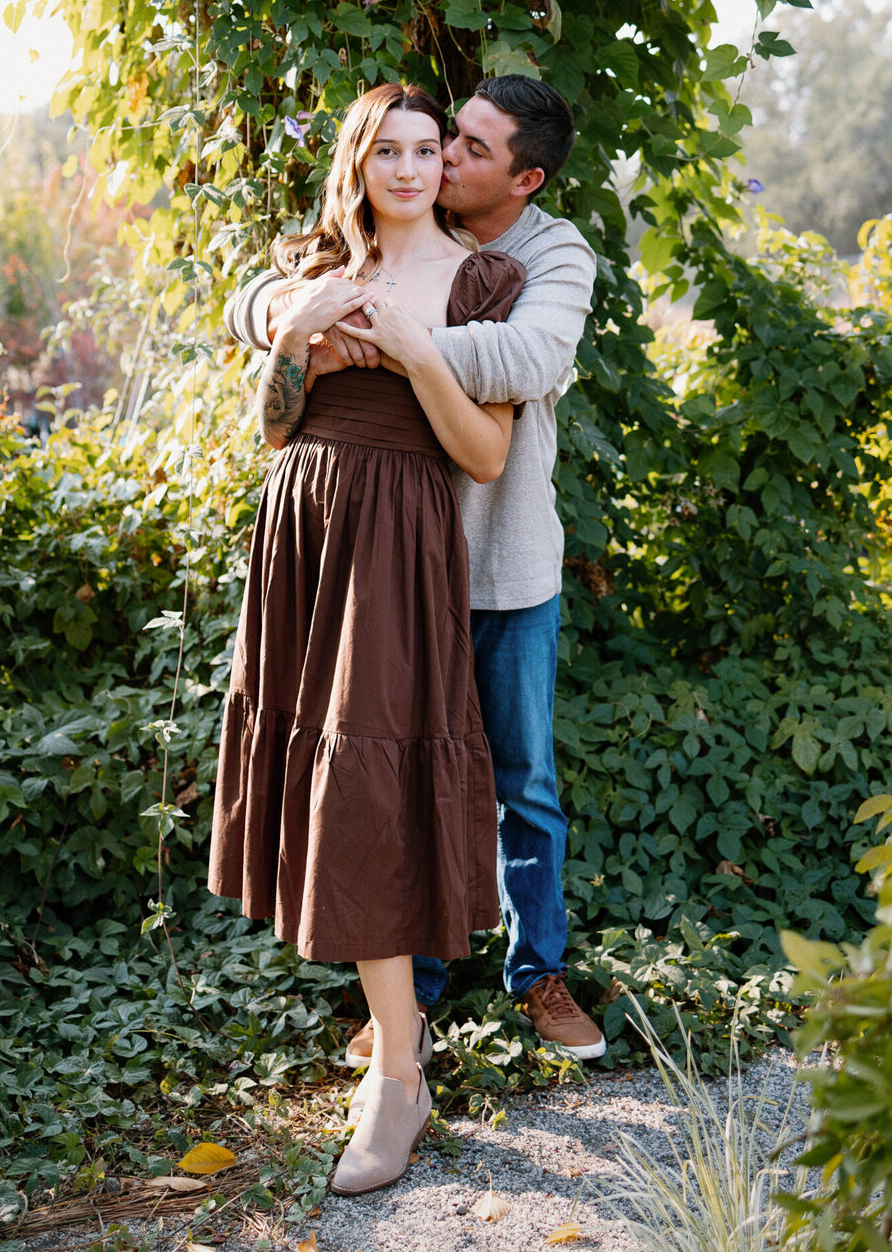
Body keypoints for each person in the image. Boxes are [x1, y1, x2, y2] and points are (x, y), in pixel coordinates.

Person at [224, 76, 604, 1062]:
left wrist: (392, 339)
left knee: (518, 777)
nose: (440, 162)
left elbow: (521, 363)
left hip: (496, 562)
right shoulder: (339, 259)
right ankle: (412, 1001)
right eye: (440, 141)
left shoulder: (542, 257)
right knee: (384, 764)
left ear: (521, 178)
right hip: (368, 563)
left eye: (459, 150)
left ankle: (538, 974)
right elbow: (258, 331)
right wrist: (292, 317)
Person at [208, 82, 526, 1195]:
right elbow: (275, 421)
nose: (407, 169)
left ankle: (399, 1073)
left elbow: (481, 457)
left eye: (426, 150)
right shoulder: (313, 270)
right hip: (302, 524)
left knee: (371, 784)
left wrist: (412, 350)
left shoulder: (481, 281)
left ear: (448, 164)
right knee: (322, 775)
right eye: (386, 150)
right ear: (360, 161)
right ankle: (392, 1050)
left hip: (398, 532)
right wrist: (290, 335)